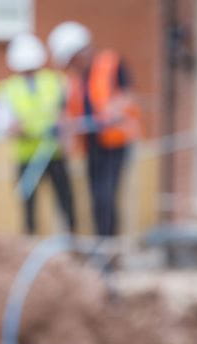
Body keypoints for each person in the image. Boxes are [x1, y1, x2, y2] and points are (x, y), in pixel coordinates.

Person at [48, 21, 139, 237]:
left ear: (80, 52)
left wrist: (112, 115)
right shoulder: (75, 81)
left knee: (106, 196)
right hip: (93, 145)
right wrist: (63, 128)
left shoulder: (111, 64)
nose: (72, 66)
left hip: (115, 143)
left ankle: (109, 247)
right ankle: (101, 243)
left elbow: (127, 96)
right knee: (95, 197)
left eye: (72, 60)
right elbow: (67, 112)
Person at [0, 32, 75, 235]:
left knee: (66, 201)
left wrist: (65, 135)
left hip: (54, 153)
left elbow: (67, 113)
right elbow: (1, 122)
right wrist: (17, 129)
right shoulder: (8, 88)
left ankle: (72, 243)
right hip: (27, 155)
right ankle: (30, 244)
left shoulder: (55, 81)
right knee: (29, 205)